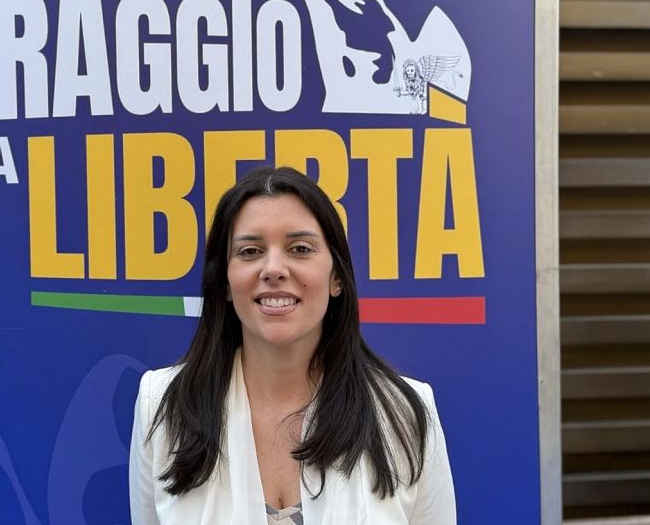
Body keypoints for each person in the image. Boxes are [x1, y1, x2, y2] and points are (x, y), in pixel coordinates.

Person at [129, 166, 455, 524]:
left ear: (336, 277)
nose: (273, 269)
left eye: (300, 249)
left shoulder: (405, 413)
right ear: (224, 282)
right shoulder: (163, 406)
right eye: (250, 251)